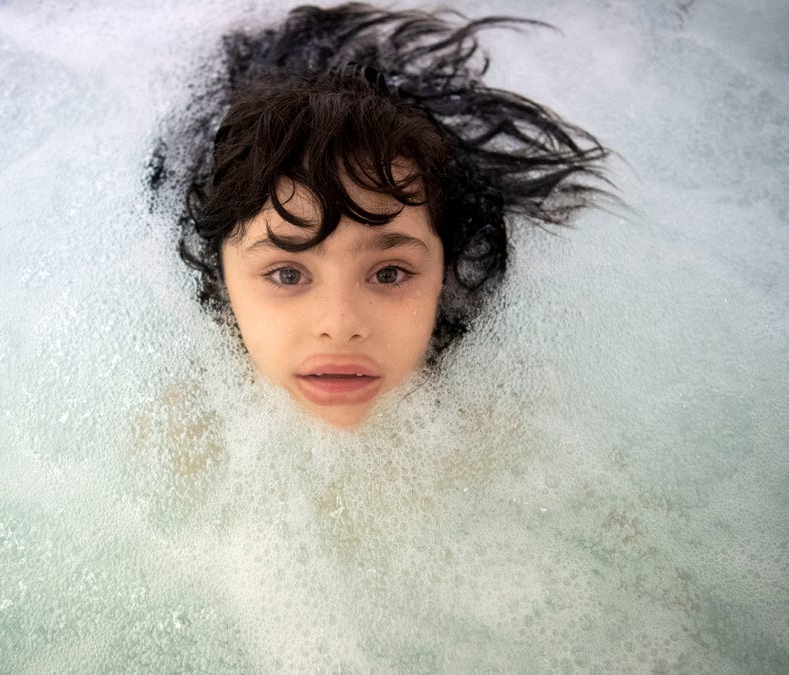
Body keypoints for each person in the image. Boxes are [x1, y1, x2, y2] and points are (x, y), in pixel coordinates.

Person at [149, 3, 609, 428]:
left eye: (389, 273)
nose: (341, 325)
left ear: (446, 274)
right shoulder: (181, 430)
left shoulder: (514, 431)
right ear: (221, 279)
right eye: (288, 274)